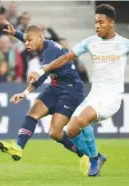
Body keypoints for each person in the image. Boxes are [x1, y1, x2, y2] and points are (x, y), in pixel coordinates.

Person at [28, 4, 129, 176]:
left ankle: (94, 160)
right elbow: (65, 58)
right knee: (70, 130)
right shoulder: (90, 42)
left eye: (101, 22)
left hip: (111, 98)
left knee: (82, 120)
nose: (97, 26)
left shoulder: (124, 44)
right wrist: (42, 70)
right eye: (95, 22)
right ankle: (96, 157)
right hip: (94, 95)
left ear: (111, 23)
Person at [0, 20, 105, 176]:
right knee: (33, 112)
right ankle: (18, 147)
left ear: (40, 37)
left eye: (29, 40)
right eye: (25, 40)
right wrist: (16, 34)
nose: (26, 43)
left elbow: (42, 73)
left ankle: (88, 157)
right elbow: (40, 68)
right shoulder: (41, 46)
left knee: (55, 132)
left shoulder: (50, 50)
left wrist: (28, 88)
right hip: (56, 86)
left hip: (71, 90)